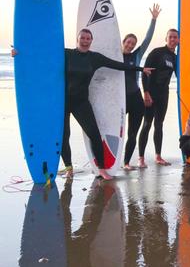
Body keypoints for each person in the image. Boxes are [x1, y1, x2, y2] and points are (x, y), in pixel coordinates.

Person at [13, 29, 153, 180]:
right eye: (83, 38)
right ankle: (69, 168)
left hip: (81, 103)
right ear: (78, 39)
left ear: (91, 41)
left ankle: (102, 169)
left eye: (88, 38)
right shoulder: (67, 54)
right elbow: (43, 55)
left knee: (94, 134)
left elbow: (117, 65)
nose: (85, 41)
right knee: (64, 136)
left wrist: (141, 69)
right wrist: (20, 53)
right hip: (63, 102)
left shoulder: (95, 58)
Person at [122, 3, 161, 170]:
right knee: (117, 133)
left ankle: (126, 163)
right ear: (123, 42)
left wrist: (153, 19)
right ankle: (111, 161)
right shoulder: (114, 56)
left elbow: (147, 39)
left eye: (133, 43)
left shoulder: (136, 55)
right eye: (129, 42)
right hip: (120, 99)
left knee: (133, 133)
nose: (131, 45)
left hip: (135, 98)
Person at [138, 28, 179, 166]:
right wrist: (146, 92)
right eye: (171, 37)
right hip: (151, 93)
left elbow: (182, 74)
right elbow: (145, 73)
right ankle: (141, 158)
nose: (173, 39)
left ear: (179, 40)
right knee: (147, 124)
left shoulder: (175, 58)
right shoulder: (157, 52)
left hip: (164, 94)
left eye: (175, 37)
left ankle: (158, 156)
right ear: (166, 39)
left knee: (159, 125)